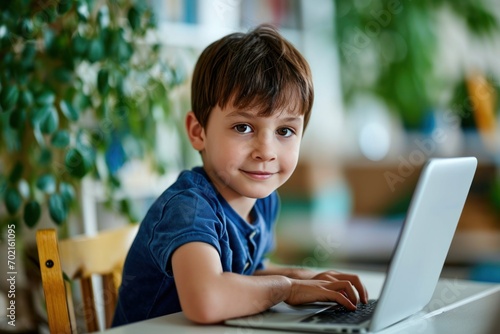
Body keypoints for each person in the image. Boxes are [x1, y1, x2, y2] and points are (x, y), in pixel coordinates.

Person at [112, 24, 368, 327]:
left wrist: (300, 277)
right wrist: (287, 288)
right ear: (198, 132)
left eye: (285, 131)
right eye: (243, 127)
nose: (266, 151)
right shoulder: (189, 208)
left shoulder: (262, 201)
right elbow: (207, 299)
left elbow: (242, 276)